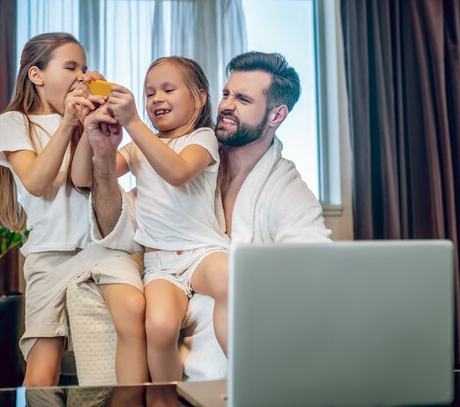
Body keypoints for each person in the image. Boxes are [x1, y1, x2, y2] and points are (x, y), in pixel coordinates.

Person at [84, 51, 332, 376]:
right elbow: (136, 207)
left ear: (276, 115)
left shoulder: (284, 187)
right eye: (227, 93)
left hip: (222, 288)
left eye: (243, 99)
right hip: (166, 272)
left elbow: (316, 261)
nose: (227, 104)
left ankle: (250, 384)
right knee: (159, 325)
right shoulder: (187, 147)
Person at [0, 32, 147, 386]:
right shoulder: (15, 122)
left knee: (132, 311)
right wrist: (69, 123)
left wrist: (90, 127)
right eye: (70, 65)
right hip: (48, 256)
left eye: (84, 67)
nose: (81, 74)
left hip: (100, 249)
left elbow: (84, 181)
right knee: (43, 368)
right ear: (36, 75)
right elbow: (36, 182)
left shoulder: (85, 118)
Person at [72, 56, 230, 382]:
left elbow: (177, 171)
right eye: (149, 93)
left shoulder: (202, 138)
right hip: (161, 265)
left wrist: (132, 123)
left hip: (202, 252)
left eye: (168, 89)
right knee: (159, 327)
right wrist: (92, 135)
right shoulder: (136, 148)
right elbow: (83, 178)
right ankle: (165, 398)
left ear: (200, 98)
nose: (156, 98)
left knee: (230, 278)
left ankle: (245, 379)